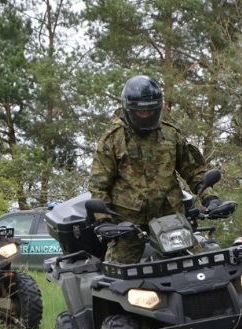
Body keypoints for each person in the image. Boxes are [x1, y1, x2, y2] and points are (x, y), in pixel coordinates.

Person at [88, 75, 222, 264]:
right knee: (117, 276)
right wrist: (104, 220)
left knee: (197, 265)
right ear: (129, 109)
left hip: (170, 217)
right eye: (141, 112)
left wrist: (210, 198)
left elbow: (193, 171)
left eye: (151, 111)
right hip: (128, 223)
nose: (146, 116)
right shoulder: (113, 139)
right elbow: (98, 186)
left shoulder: (170, 135)